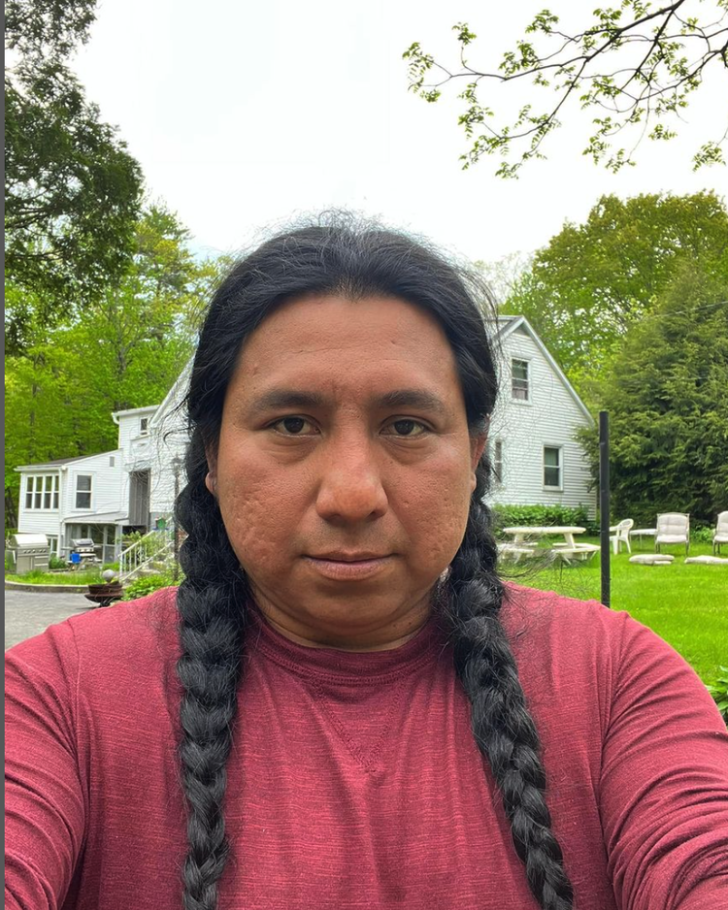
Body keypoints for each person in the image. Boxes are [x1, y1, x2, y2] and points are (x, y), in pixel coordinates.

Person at [5, 217, 727, 910]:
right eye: (291, 424)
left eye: (407, 426)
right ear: (213, 459)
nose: (353, 494)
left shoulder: (616, 684)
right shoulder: (59, 698)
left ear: (474, 457)